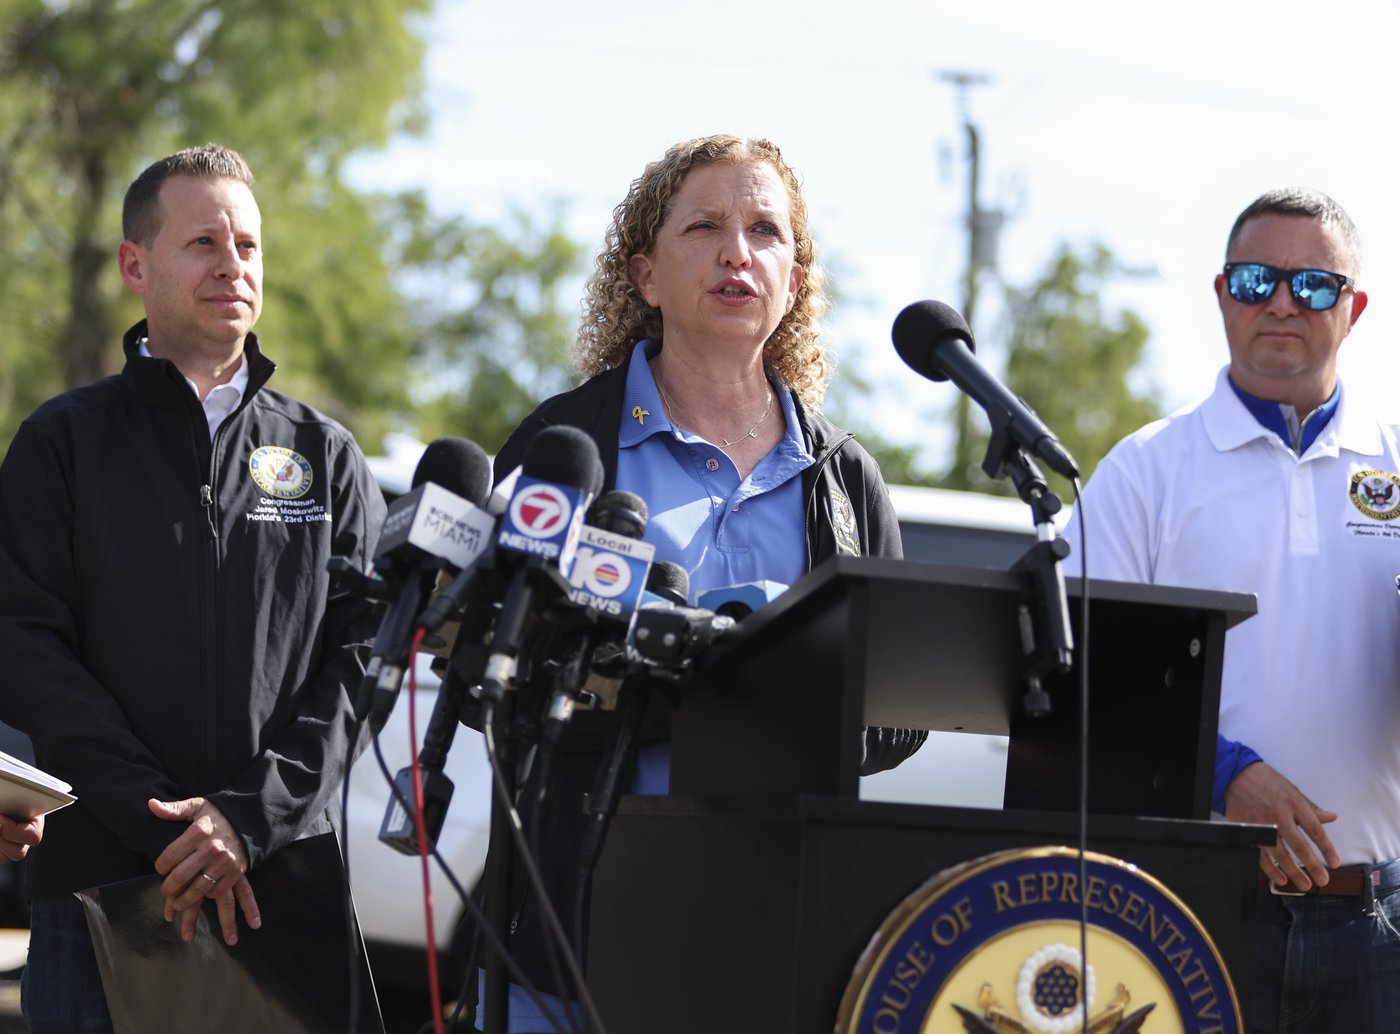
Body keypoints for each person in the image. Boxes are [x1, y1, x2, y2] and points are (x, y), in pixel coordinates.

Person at [482, 134, 923, 1031]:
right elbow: (492, 665)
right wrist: (646, 675)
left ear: (793, 283)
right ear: (644, 274)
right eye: (705, 227)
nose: (737, 252)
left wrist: (782, 691)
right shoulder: (566, 445)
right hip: (571, 931)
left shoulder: (845, 479)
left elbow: (898, 714)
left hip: (775, 935)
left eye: (766, 231)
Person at [0, 144, 385, 1032]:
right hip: (103, 890)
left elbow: (362, 659)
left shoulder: (325, 454)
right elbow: (25, 647)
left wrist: (248, 821)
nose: (233, 265)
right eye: (203, 242)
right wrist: (165, 826)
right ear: (136, 265)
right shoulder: (63, 444)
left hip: (280, 888)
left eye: (247, 245)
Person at [1063, 188, 1400, 1032]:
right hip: (1190, 909)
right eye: (1256, 280)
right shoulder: (1147, 470)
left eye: (1313, 285)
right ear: (1221, 294)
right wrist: (1222, 775)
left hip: (1381, 925)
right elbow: (1073, 667)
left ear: (1354, 309)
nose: (1282, 303)